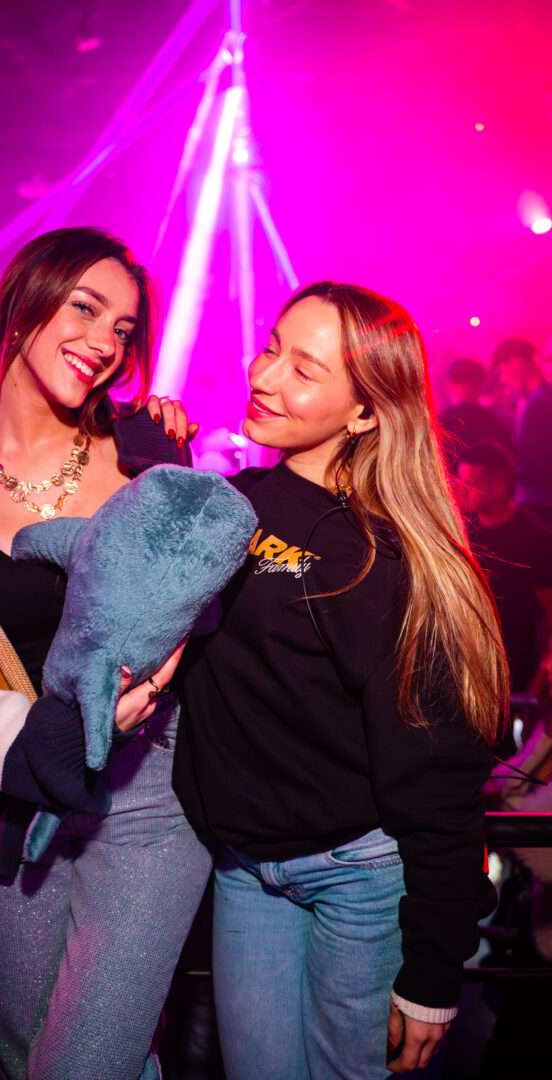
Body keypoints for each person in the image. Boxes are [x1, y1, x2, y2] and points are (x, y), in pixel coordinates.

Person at [0, 227, 211, 1080]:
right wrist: (47, 744)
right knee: (25, 1059)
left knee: (89, 1061)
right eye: (85, 308)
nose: (105, 342)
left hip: (145, 789)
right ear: (24, 305)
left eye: (123, 328)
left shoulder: (146, 449)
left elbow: (196, 594)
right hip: (9, 803)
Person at [174, 282, 508, 1078]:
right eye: (271, 349)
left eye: (304, 369)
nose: (265, 376)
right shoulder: (231, 505)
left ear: (363, 413)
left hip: (358, 873)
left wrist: (434, 974)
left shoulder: (379, 556)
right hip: (246, 868)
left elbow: (437, 776)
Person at [456, 440, 552, 703]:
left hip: (519, 667)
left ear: (498, 485)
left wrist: (543, 671)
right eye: (460, 481)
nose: (462, 490)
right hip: (472, 664)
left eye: (470, 483)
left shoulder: (534, 538)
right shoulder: (463, 534)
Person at [491, 337, 552, 526]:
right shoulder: (537, 400)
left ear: (517, 362)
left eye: (502, 371)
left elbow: (532, 461)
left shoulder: (540, 404)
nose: (503, 380)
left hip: (540, 502)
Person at [438, 357, 513, 472]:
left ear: (450, 385)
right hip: (490, 481)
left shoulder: (441, 422)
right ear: (480, 385)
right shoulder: (494, 421)